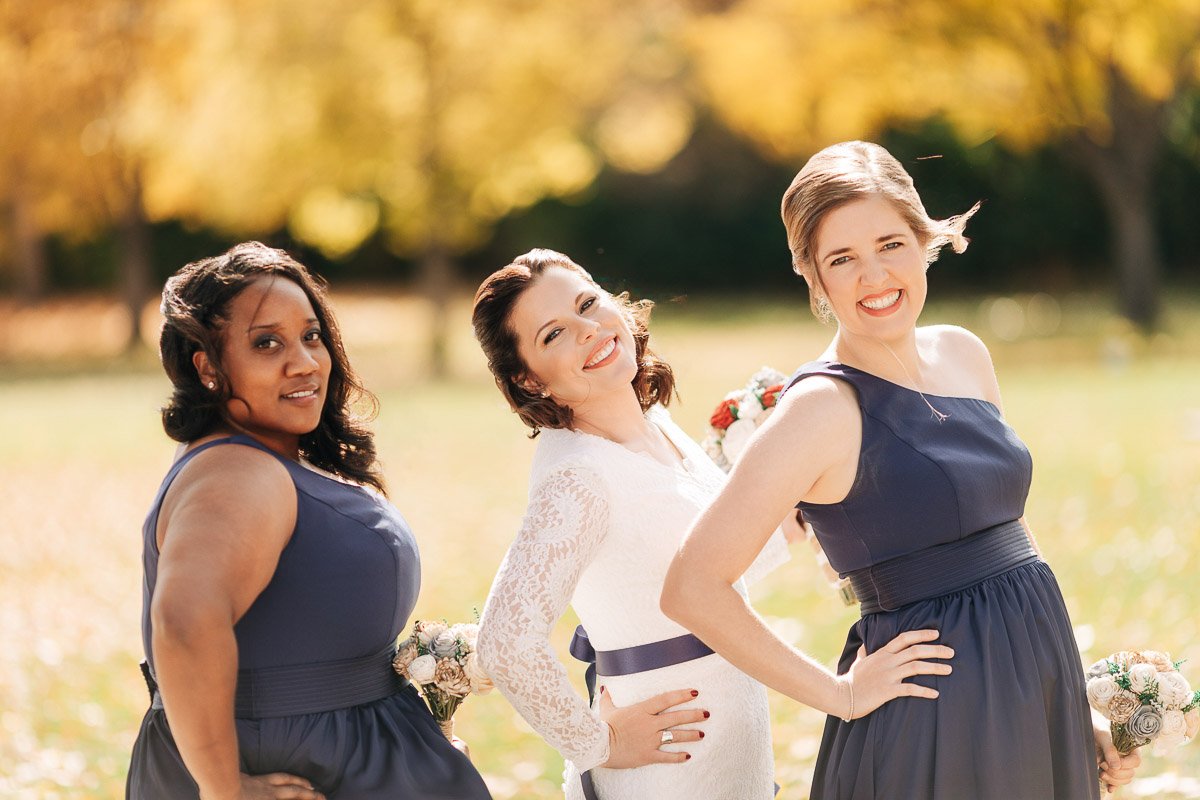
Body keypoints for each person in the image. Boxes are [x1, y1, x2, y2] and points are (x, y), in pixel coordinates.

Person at [660, 141, 1142, 798]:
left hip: (1034, 684)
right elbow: (692, 586)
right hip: (933, 721)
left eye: (890, 244)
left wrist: (1070, 708)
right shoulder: (820, 408)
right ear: (813, 277)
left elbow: (1007, 541)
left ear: (924, 239)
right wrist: (839, 693)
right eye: (842, 260)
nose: (874, 276)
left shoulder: (964, 353)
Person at [470, 249, 951, 799]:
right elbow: (504, 643)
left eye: (587, 304)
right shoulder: (576, 478)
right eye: (553, 334)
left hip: (729, 751)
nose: (587, 330)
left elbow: (695, 567)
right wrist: (599, 744)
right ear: (528, 381)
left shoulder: (654, 426)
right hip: (669, 767)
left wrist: (797, 511)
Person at [126, 242, 492, 800]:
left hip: (346, 759)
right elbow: (181, 623)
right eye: (266, 343)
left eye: (311, 336)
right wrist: (225, 790)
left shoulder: (262, 457)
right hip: (299, 769)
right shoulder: (236, 471)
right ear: (208, 367)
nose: (305, 362)